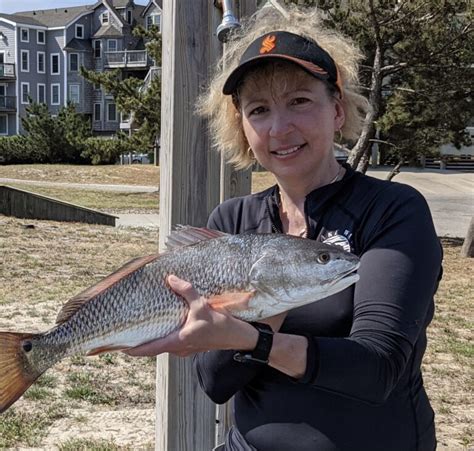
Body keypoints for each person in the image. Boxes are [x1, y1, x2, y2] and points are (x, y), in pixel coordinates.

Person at [126, 4, 442, 450]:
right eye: (258, 110)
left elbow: (379, 368)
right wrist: (259, 314)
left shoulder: (391, 210)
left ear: (337, 109)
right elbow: (215, 383)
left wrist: (255, 340)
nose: (280, 128)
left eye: (299, 101)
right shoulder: (233, 222)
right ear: (242, 127)